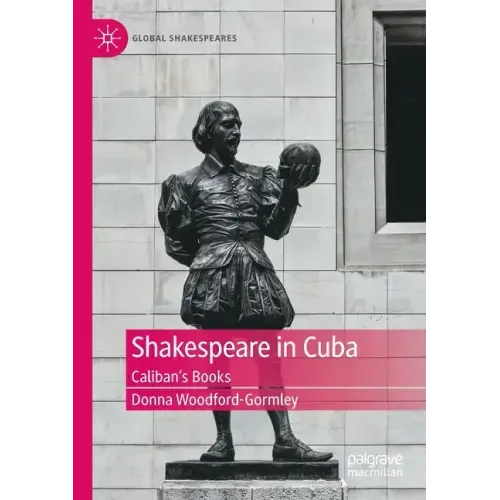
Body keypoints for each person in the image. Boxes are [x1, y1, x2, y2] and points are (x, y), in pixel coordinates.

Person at [158, 100, 332, 462]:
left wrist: (289, 189)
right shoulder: (184, 183)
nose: (236, 130)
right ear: (208, 132)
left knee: (269, 360)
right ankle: (223, 439)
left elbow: (276, 229)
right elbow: (177, 243)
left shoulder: (260, 177)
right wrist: (212, 263)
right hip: (214, 281)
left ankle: (285, 438)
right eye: (227, 124)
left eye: (238, 124)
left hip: (256, 276)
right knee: (218, 363)